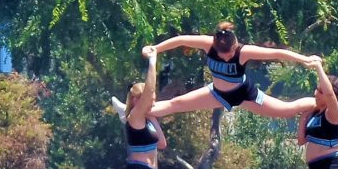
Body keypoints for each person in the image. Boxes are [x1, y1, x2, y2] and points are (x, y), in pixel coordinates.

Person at [139, 23, 325, 121]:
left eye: (229, 54)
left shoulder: (243, 52)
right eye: (222, 54)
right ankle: (136, 113)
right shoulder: (208, 44)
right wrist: (156, 48)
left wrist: (305, 59)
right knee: (176, 103)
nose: (227, 58)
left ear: (235, 46)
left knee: (286, 110)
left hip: (244, 94)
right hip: (218, 93)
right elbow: (180, 40)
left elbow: (276, 53)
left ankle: (332, 103)